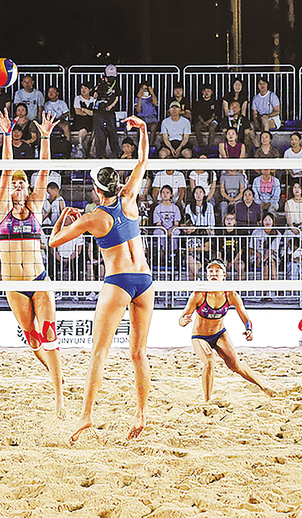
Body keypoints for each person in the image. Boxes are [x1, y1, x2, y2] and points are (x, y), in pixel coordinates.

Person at [49, 115, 154, 441]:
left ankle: (86, 416)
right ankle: (141, 413)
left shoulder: (93, 218)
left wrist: (63, 218)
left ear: (96, 190)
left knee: (100, 351)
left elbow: (54, 243)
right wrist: (144, 130)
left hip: (119, 282)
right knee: (138, 353)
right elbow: (143, 159)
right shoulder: (130, 197)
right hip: (145, 281)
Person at [0, 108, 64, 417]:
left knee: (49, 333)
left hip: (39, 280)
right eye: (15, 184)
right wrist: (7, 135)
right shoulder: (1, 210)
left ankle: (60, 396)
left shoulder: (34, 207)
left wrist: (45, 137)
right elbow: (6, 170)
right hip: (14, 286)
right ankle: (53, 373)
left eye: (22, 183)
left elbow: (44, 172)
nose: (18, 186)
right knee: (33, 339)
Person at [178, 260, 276, 401]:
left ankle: (263, 387)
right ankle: (207, 401)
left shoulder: (230, 294)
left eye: (217, 271)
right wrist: (184, 321)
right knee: (210, 361)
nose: (214, 274)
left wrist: (248, 329)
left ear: (224, 275)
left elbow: (245, 317)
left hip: (220, 334)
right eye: (210, 271)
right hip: (200, 336)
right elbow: (181, 319)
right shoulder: (199, 294)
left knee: (236, 365)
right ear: (206, 275)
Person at [92, 65, 121, 159]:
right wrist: (97, 89)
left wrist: (110, 106)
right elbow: (94, 96)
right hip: (98, 111)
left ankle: (116, 153)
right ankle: (101, 154)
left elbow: (117, 97)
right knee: (99, 133)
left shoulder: (116, 84)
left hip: (110, 110)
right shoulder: (100, 83)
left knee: (112, 132)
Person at [72, 82, 95, 157]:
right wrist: (88, 112)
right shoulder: (78, 98)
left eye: (86, 88)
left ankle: (85, 148)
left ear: (90, 90)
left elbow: (94, 113)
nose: (83, 90)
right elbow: (78, 112)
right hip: (80, 121)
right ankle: (80, 145)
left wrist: (84, 109)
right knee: (83, 127)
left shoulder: (93, 100)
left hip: (90, 122)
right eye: (82, 88)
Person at [134, 81, 159, 147]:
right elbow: (138, 110)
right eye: (143, 89)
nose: (145, 91)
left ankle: (150, 146)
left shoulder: (151, 97)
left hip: (151, 117)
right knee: (140, 128)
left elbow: (156, 103)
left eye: (146, 89)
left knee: (153, 127)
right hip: (142, 118)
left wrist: (152, 93)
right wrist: (139, 98)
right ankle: (140, 146)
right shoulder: (137, 99)